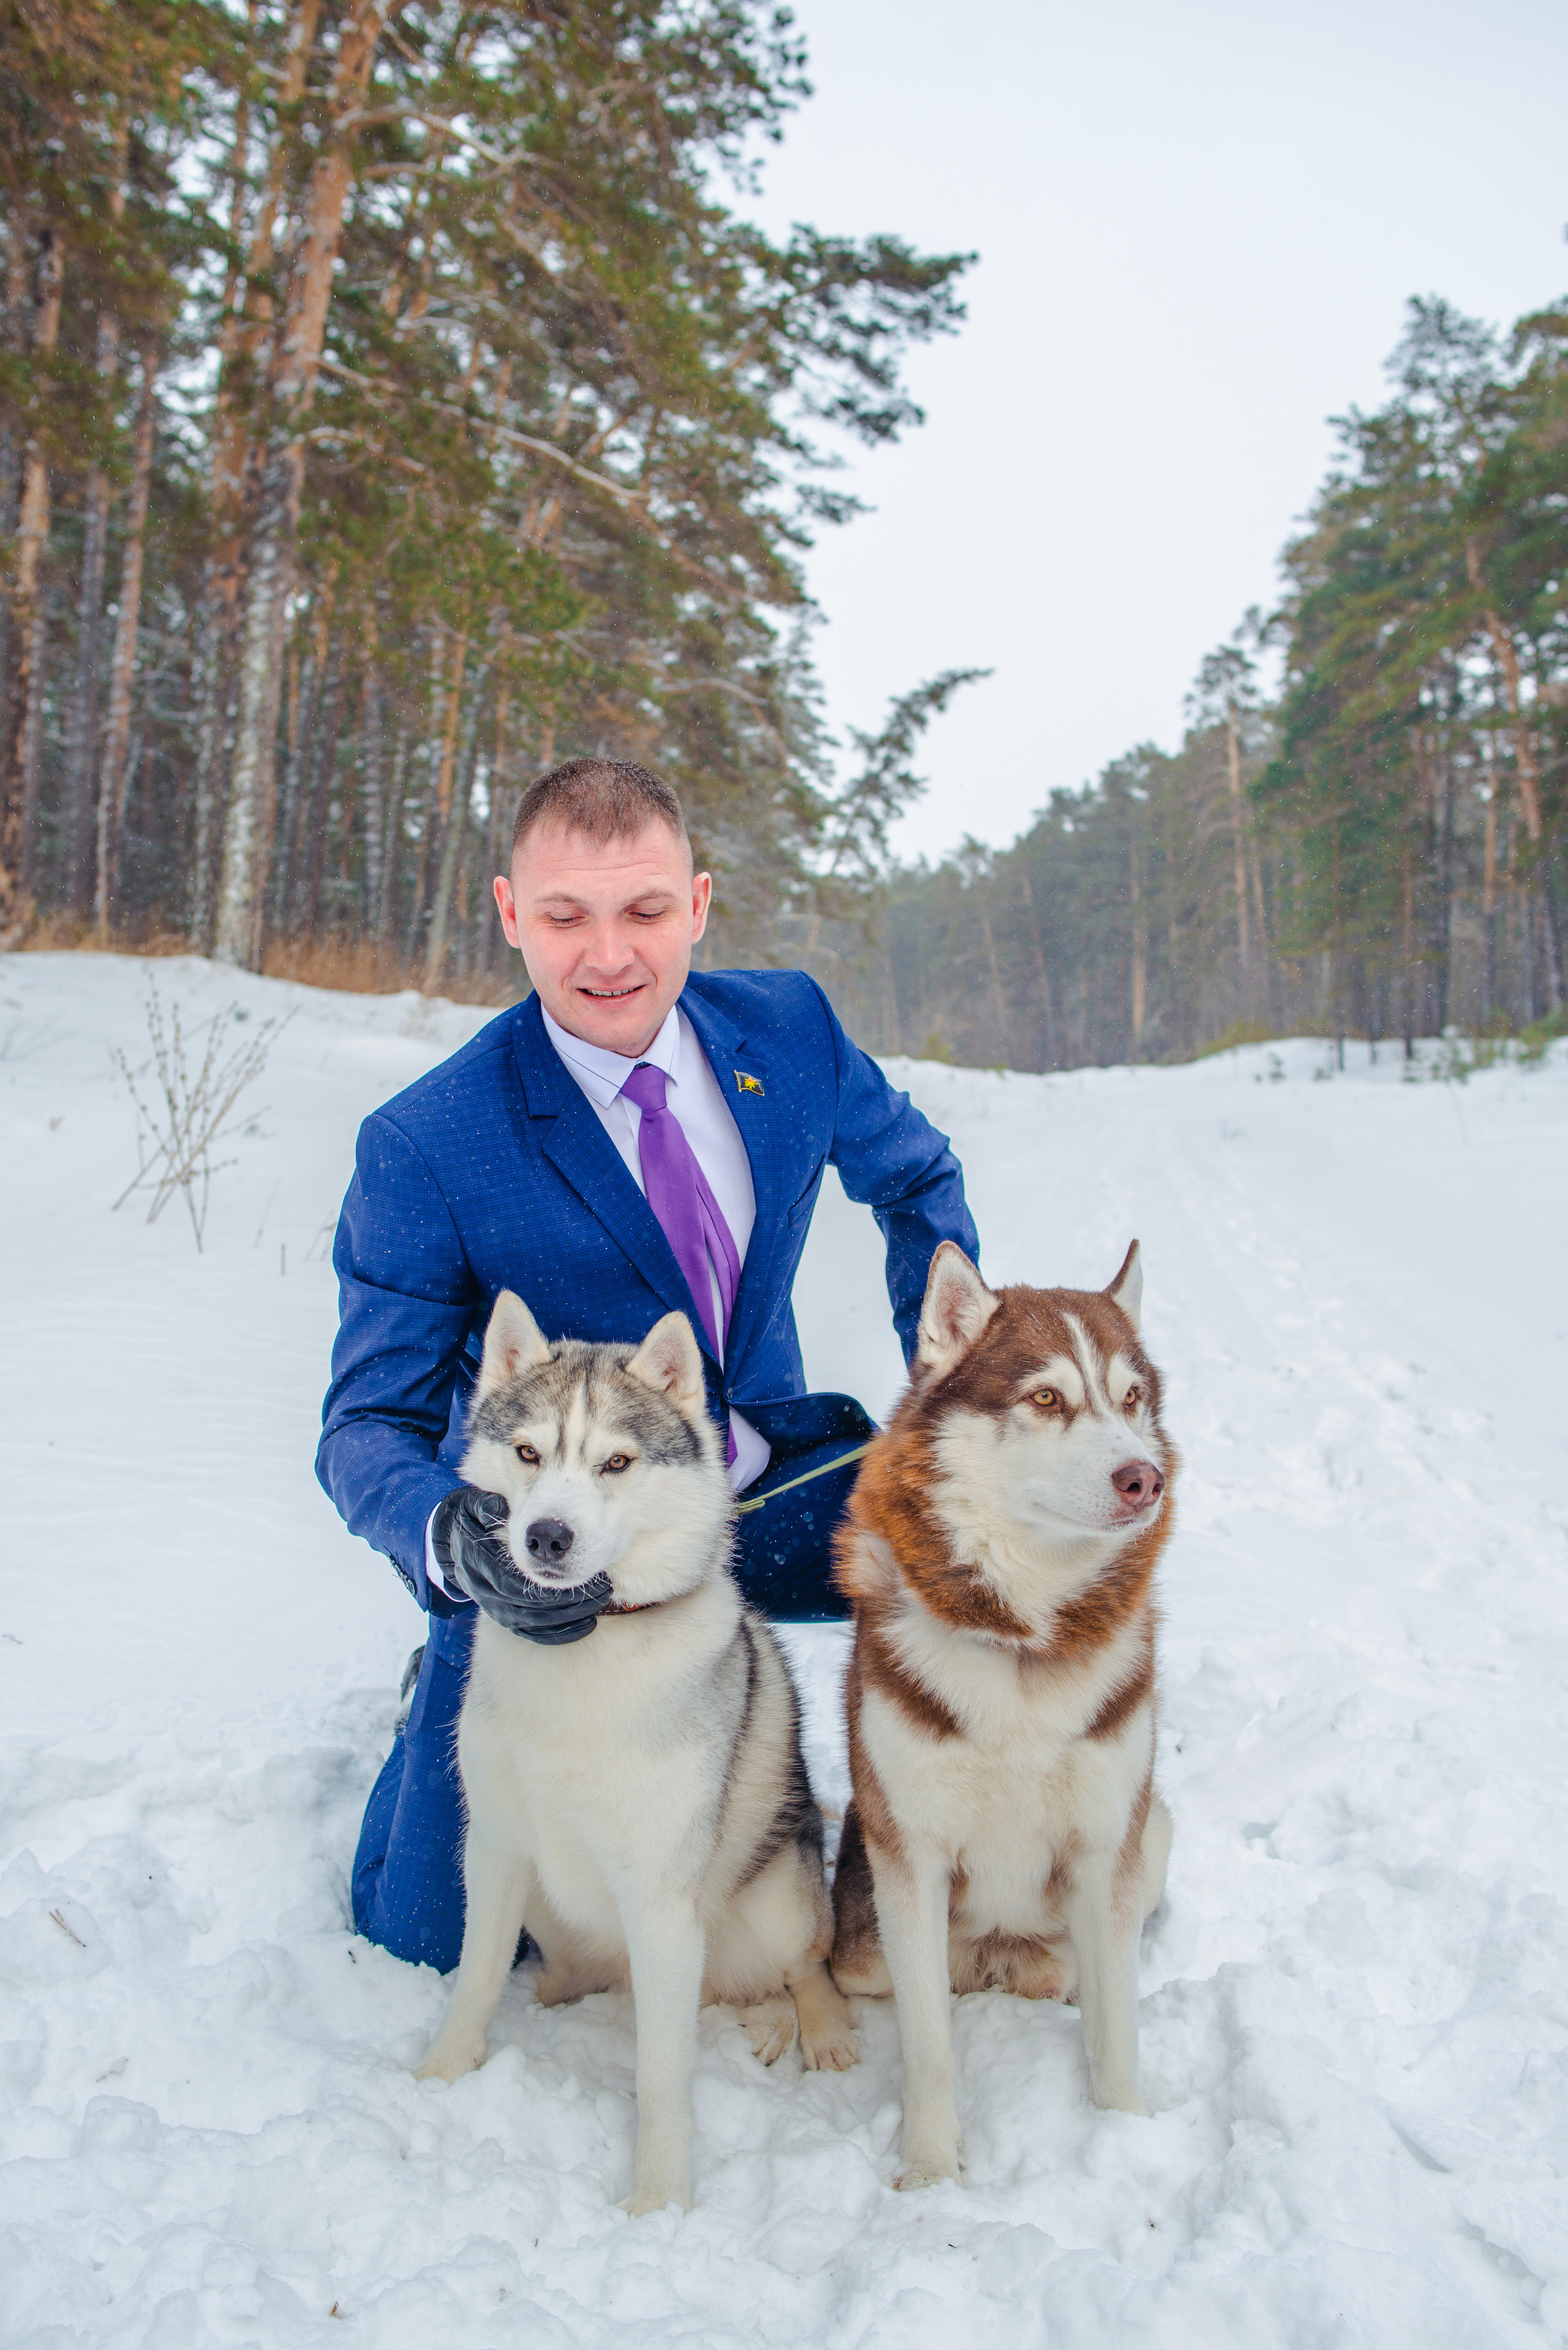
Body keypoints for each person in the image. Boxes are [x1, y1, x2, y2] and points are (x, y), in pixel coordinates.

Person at [319, 757, 980, 1971]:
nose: (608, 954)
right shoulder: (429, 1142)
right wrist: (460, 1544)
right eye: (565, 915)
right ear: (511, 913)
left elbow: (915, 1178)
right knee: (427, 1936)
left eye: (644, 910)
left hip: (765, 1484)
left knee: (985, 1560)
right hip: (560, 1553)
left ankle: (962, 1862)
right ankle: (445, 1683)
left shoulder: (787, 1031)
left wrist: (946, 1370)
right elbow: (364, 1424)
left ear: (699, 904)